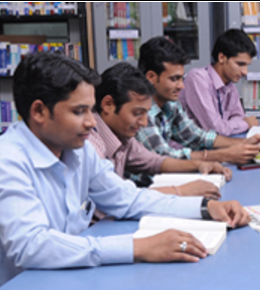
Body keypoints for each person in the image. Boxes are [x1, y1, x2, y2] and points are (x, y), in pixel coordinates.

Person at [0, 52, 251, 290]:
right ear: (39, 111)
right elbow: (32, 247)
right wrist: (138, 248)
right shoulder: (2, 161)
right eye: (79, 111)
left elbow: (128, 200)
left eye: (91, 110)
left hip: (59, 280)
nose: (91, 123)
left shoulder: (77, 151)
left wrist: (205, 208)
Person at [92, 63, 232, 199]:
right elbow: (119, 197)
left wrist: (200, 165)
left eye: (146, 113)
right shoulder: (92, 147)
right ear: (108, 105)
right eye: (137, 113)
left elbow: (155, 161)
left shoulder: (123, 137)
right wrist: (181, 191)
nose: (144, 122)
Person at [135, 37, 260, 169]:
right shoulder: (140, 111)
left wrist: (245, 143)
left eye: (181, 78)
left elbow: (197, 136)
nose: (181, 86)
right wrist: (225, 155)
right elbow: (164, 158)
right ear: (151, 77)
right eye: (174, 79)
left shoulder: (170, 104)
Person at [180, 29, 259, 136]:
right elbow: (214, 129)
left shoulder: (230, 86)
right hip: (191, 149)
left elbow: (238, 117)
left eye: (247, 65)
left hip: (215, 145)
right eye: (240, 64)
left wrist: (230, 124)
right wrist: (246, 124)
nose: (245, 72)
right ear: (222, 58)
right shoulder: (197, 79)